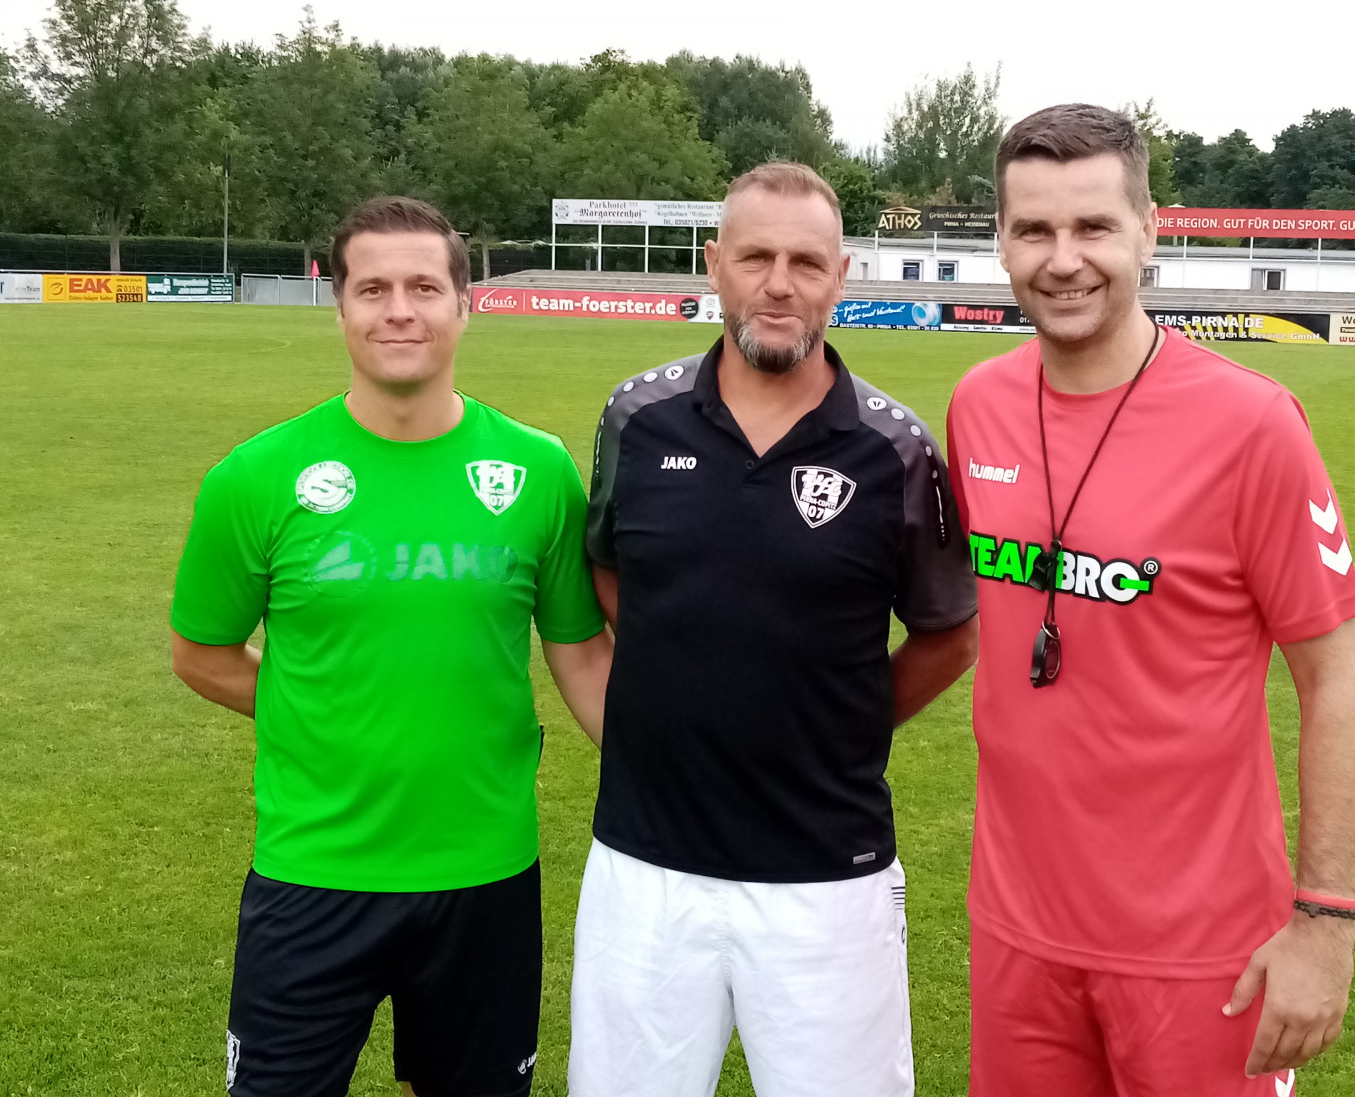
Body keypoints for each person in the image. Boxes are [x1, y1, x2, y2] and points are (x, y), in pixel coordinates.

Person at [945, 105, 1355, 1096]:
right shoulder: (979, 405)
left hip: (1201, 952)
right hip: (1019, 934)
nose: (1063, 259)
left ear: (1149, 228)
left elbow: (1336, 673)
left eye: (1093, 226)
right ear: (1000, 242)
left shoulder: (1252, 425)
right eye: (1034, 230)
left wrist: (1324, 922)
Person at [169, 196, 612, 1097]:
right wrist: (320, 698)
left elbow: (581, 655)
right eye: (372, 288)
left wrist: (679, 765)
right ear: (339, 306)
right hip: (313, 872)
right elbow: (201, 652)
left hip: (484, 875)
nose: (398, 309)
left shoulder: (538, 473)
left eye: (422, 286)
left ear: (465, 303)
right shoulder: (255, 478)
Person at [571, 161, 979, 1097]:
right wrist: (682, 683)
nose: (779, 283)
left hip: (826, 876)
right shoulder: (636, 416)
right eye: (756, 256)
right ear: (715, 265)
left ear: (841, 275)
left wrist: (839, 723)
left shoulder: (896, 448)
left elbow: (950, 632)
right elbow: (606, 568)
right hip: (644, 865)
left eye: (805, 261)